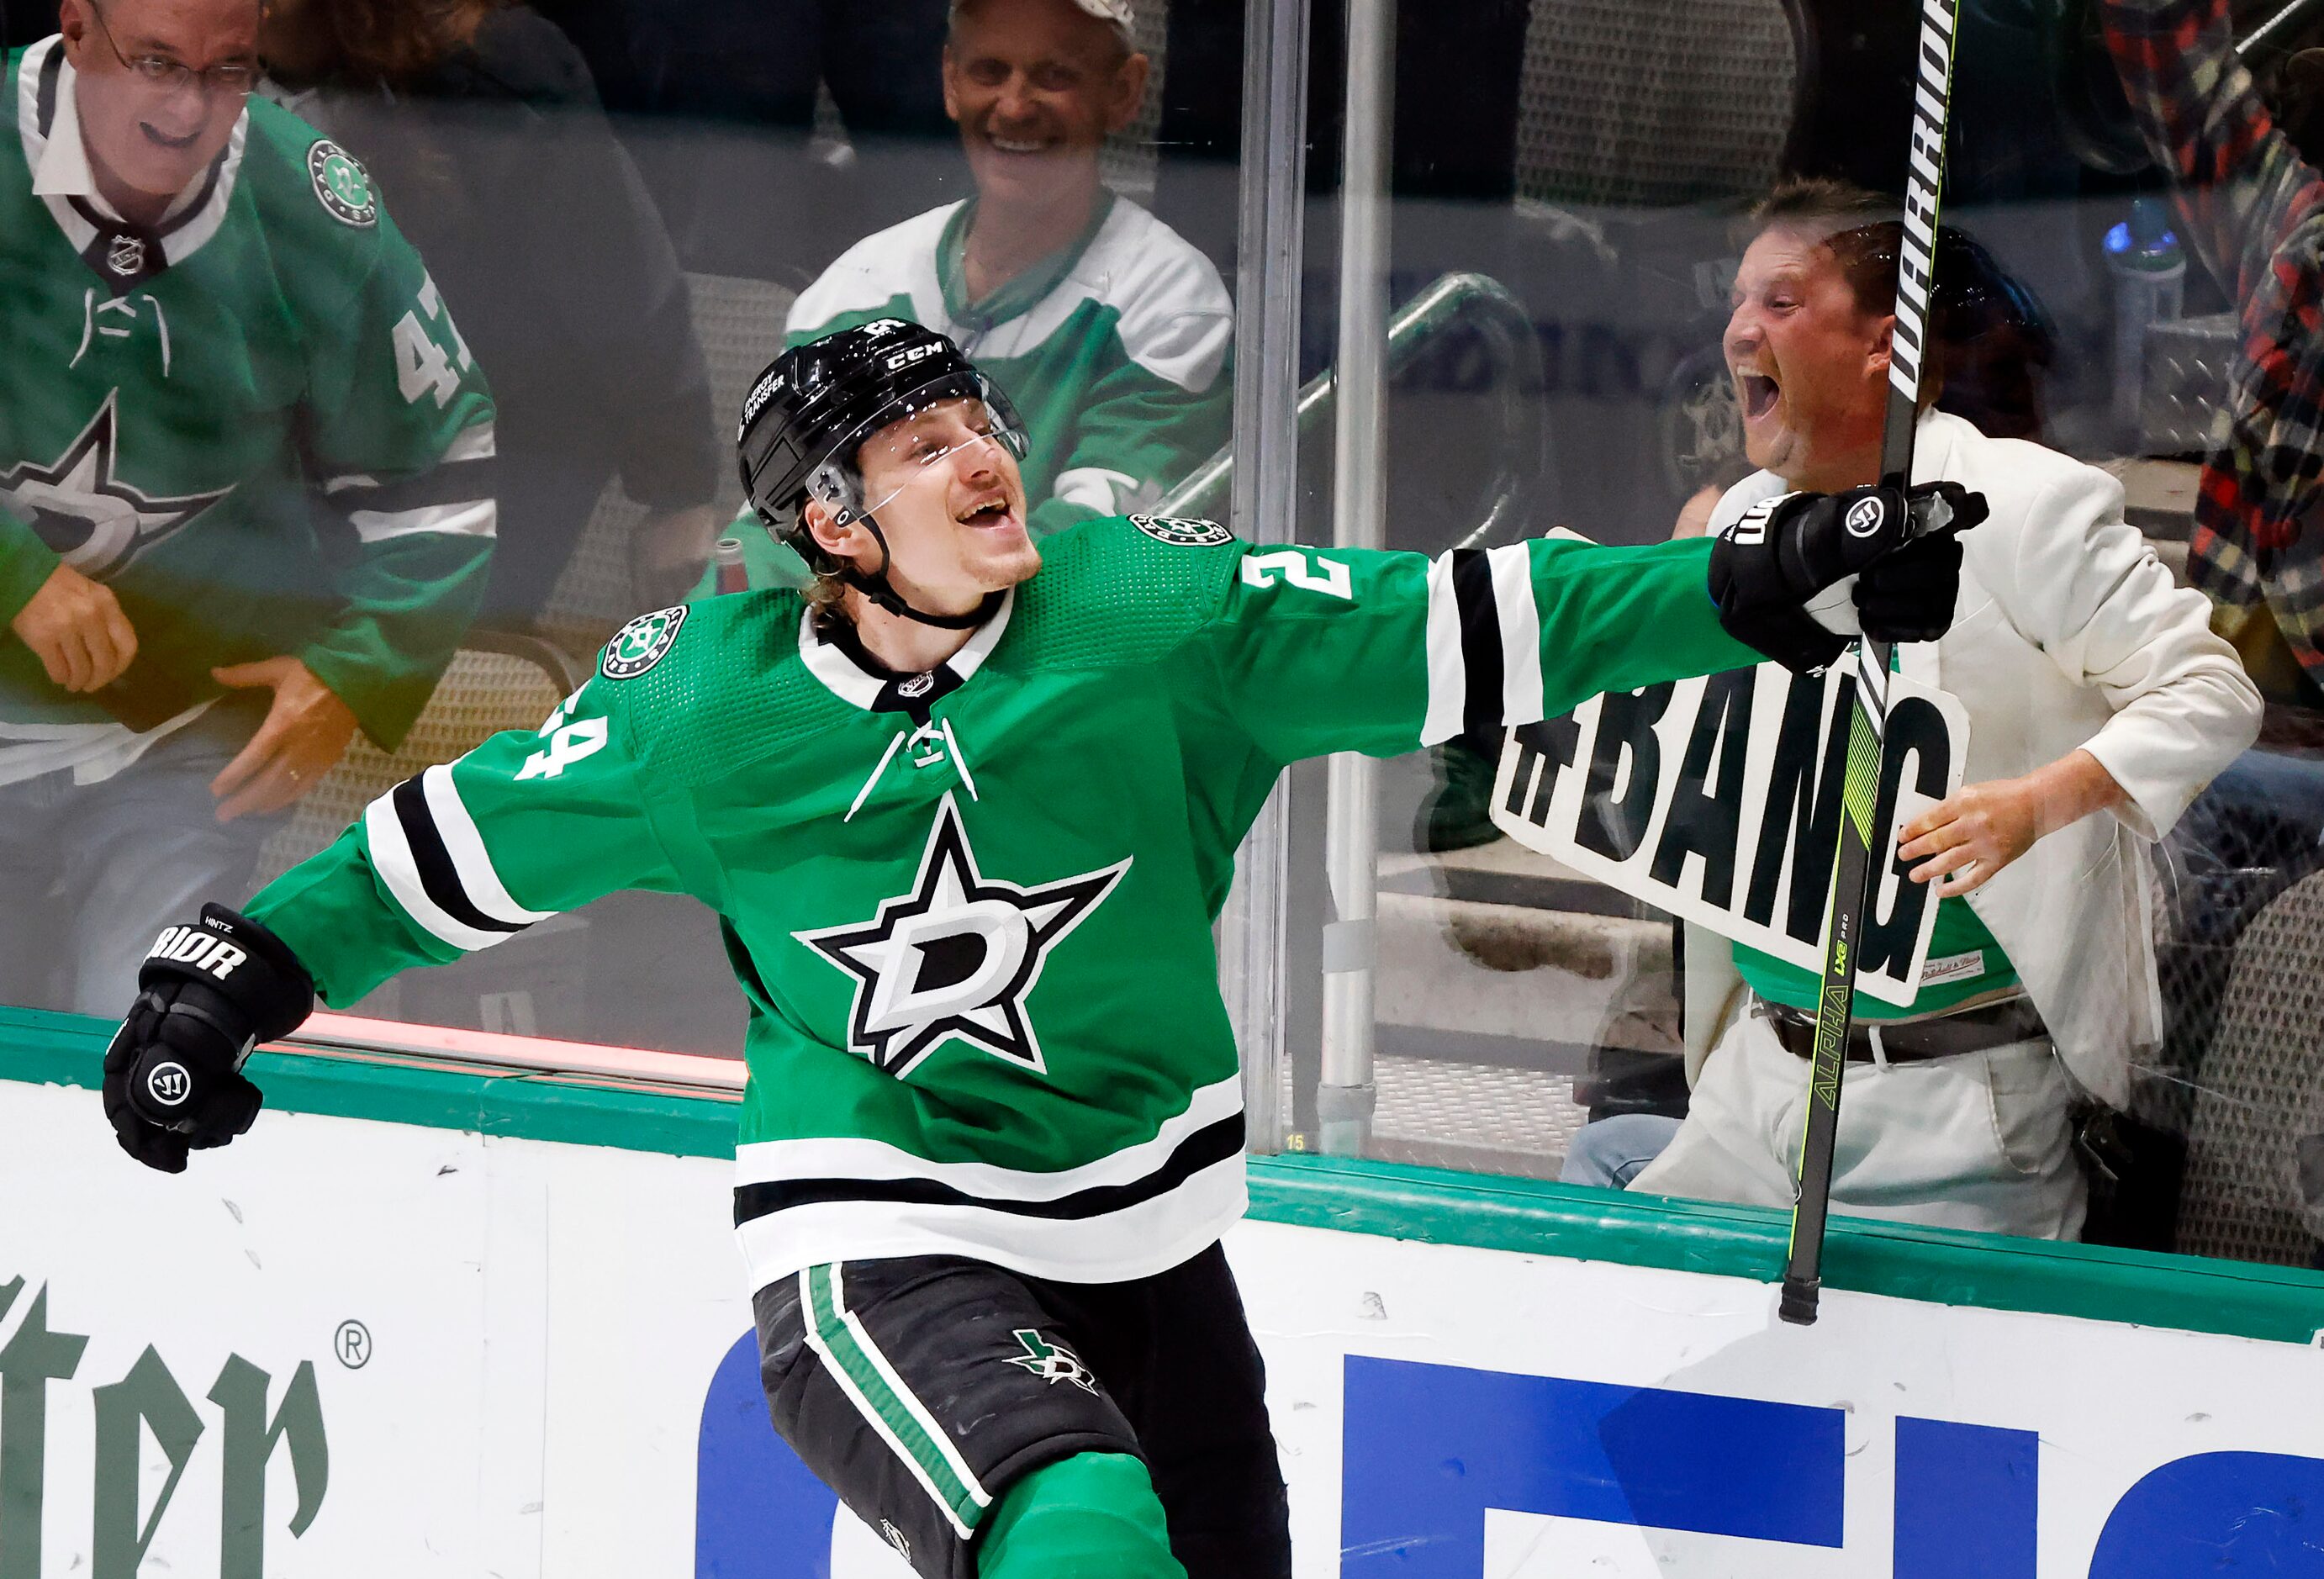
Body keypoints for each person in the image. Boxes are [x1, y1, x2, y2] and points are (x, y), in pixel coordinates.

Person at [98, 319, 1969, 1575]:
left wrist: (1767, 576)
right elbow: (455, 845)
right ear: (831, 523)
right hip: (881, 1240)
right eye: (920, 448)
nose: (980, 455)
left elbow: (1469, 620)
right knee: (1076, 1537)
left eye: (976, 419)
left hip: (1151, 1250)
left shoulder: (1144, 614)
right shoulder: (706, 713)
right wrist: (231, 974)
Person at [1579, 180, 2262, 1242]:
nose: (1737, 332)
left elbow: (2213, 690)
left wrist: (2036, 803)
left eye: (1782, 303)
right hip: (1754, 1081)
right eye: (1737, 301)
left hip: (1966, 1107)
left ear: (1878, 346)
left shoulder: (2025, 502)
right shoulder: (1741, 527)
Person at [0, 0, 496, 1017]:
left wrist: (355, 672)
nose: (188, 109)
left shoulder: (307, 197)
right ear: (76, 28)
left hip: (172, 744)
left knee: (156, 1046)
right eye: (154, 62)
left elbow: (444, 456)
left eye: (229, 70)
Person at [710, 0, 1231, 594]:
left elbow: (1089, 551)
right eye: (990, 72)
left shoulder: (1171, 302)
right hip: (849, 654)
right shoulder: (855, 290)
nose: (1014, 107)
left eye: (1055, 75)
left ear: (1124, 91)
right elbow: (777, 535)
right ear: (951, 81)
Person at [259, 0, 725, 627]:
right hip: (280, 450)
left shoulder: (492, 65)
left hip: (489, 441)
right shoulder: (166, 76)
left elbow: (618, 283)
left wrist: (679, 491)